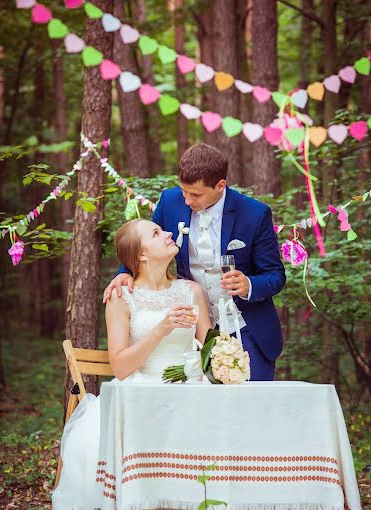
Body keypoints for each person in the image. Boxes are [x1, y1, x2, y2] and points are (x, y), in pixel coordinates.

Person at [42, 218, 317, 510]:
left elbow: (209, 347)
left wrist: (225, 360)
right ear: (141, 255)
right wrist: (161, 328)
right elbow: (122, 368)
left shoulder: (191, 291)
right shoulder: (120, 296)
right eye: (157, 233)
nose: (169, 233)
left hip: (192, 388)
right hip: (141, 392)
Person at [103, 144, 286, 381]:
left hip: (245, 328)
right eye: (183, 191)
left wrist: (249, 284)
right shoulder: (170, 202)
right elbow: (144, 246)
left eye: (196, 194)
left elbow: (275, 274)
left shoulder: (254, 214)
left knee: (252, 410)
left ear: (221, 186)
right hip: (189, 334)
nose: (187, 200)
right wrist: (124, 272)